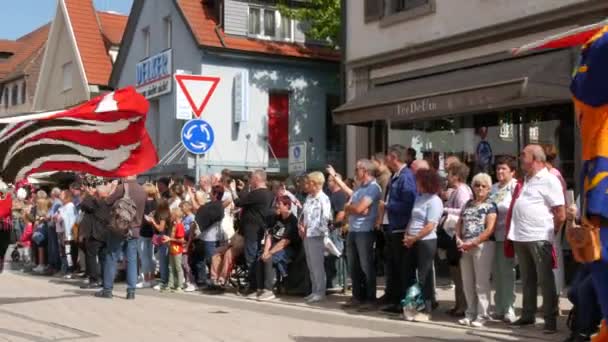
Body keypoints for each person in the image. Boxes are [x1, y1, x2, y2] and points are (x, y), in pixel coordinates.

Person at [508, 145, 565, 334]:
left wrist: (550, 234)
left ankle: (550, 321)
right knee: (527, 279)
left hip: (539, 236)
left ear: (535, 159)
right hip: (521, 236)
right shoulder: (526, 180)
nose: (520, 157)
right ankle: (527, 315)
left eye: (524, 154)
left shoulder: (549, 180)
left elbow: (560, 213)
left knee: (545, 280)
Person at [377, 145, 417, 314]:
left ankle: (408, 303)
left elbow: (409, 202)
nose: (386, 160)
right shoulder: (397, 176)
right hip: (394, 227)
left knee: (404, 269)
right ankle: (396, 300)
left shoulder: (406, 176)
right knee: (394, 267)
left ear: (394, 157)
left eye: (388, 157)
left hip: (402, 228)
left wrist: (388, 205)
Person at [456, 173, 497, 328]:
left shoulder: (491, 205)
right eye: (477, 185)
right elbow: (460, 222)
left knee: (481, 282)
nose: (479, 188)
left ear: (488, 189)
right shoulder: (467, 203)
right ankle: (470, 313)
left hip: (482, 246)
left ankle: (482, 315)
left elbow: (490, 229)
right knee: (467, 282)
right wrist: (458, 238)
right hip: (465, 246)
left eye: (483, 186)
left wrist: (473, 242)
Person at [96, 176, 146, 300]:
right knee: (132, 260)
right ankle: (131, 292)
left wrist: (113, 188)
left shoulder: (121, 187)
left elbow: (107, 201)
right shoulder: (142, 190)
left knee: (112, 256)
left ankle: (107, 290)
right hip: (134, 229)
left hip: (119, 228)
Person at [402, 169, 443, 321]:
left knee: (424, 275)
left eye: (418, 181)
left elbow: (430, 225)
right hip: (412, 240)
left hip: (426, 241)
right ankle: (411, 306)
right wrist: (407, 234)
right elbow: (413, 218)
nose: (416, 184)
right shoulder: (419, 198)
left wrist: (415, 238)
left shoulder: (434, 200)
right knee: (408, 273)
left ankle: (426, 308)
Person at [342, 160, 382, 310]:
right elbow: (356, 208)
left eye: (357, 169)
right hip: (353, 230)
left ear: (365, 170)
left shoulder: (373, 188)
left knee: (366, 265)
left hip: (365, 231)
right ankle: (357, 296)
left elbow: (360, 209)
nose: (355, 172)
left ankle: (370, 298)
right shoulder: (359, 189)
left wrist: (350, 208)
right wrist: (352, 208)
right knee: (353, 265)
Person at [233, 170, 275, 292]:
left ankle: (253, 286)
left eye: (251, 179)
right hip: (259, 228)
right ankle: (257, 285)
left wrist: (232, 190)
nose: (250, 181)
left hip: (252, 230)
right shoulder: (268, 193)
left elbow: (239, 202)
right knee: (254, 257)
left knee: (250, 258)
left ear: (257, 179)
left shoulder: (258, 193)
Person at [254, 196, 301, 301]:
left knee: (269, 259)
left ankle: (269, 290)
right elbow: (269, 236)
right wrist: (266, 251)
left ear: (287, 206)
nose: (276, 207)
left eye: (279, 204)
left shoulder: (292, 221)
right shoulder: (276, 218)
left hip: (288, 249)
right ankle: (259, 289)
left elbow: (285, 242)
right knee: (260, 257)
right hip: (275, 247)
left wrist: (270, 253)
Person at [489, 156, 518, 323]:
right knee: (496, 273)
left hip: (508, 237)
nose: (499, 172)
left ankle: (509, 308)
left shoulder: (515, 187)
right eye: (498, 168)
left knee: (507, 273)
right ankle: (498, 308)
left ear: (512, 171)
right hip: (492, 237)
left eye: (504, 169)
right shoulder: (492, 188)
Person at [442, 162, 472, 317]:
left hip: (457, 234)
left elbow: (463, 210)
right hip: (452, 234)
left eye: (450, 173)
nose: (447, 176)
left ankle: (463, 305)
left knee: (459, 273)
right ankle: (458, 304)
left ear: (457, 176)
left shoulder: (462, 191)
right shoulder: (456, 190)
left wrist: (444, 209)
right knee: (455, 272)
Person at [299, 171, 332, 304]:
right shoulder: (309, 197)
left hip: (317, 234)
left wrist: (324, 235)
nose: (307, 185)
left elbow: (325, 218)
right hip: (307, 234)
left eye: (309, 183)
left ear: (315, 184)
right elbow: (304, 215)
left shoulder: (323, 198)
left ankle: (320, 291)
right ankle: (314, 290)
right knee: (311, 264)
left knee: (317, 265)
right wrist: (301, 226)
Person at [79, 184, 111, 289]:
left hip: (95, 234)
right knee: (103, 258)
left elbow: (83, 204)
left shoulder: (97, 202)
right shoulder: (110, 202)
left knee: (91, 256)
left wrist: (89, 194)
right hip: (106, 234)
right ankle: (104, 279)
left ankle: (93, 280)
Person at [137, 183, 158, 289]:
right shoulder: (157, 203)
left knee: (144, 256)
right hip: (154, 232)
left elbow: (141, 218)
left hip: (144, 232)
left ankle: (146, 279)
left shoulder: (143, 204)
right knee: (151, 256)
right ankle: (153, 278)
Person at [149, 200, 171, 291]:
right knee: (163, 261)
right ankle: (165, 280)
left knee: (163, 262)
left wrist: (153, 222)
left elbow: (161, 229)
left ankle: (164, 281)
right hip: (165, 239)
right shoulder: (167, 213)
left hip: (164, 240)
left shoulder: (163, 216)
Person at [56, 190, 77, 278]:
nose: (60, 195)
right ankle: (64, 269)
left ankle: (70, 271)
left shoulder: (70, 206)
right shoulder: (62, 206)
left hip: (67, 233)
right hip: (61, 231)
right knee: (63, 252)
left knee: (68, 252)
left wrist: (58, 216)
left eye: (62, 194)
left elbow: (70, 220)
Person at [166, 208, 186, 293]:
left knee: (178, 267)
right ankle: (171, 284)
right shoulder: (174, 225)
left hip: (177, 249)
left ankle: (180, 286)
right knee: (171, 267)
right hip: (172, 248)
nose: (170, 216)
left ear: (175, 215)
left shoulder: (179, 226)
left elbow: (181, 240)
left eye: (172, 214)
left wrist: (170, 239)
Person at [180, 201, 196, 292]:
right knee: (183, 263)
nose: (181, 210)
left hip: (188, 243)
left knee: (186, 263)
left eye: (182, 208)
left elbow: (191, 233)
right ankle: (187, 281)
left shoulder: (191, 218)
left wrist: (188, 244)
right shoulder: (184, 218)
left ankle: (192, 282)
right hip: (183, 242)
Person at [0, 182, 12, 273]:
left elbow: (7, 211)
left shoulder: (8, 199)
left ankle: (1, 262)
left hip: (5, 226)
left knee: (4, 245)